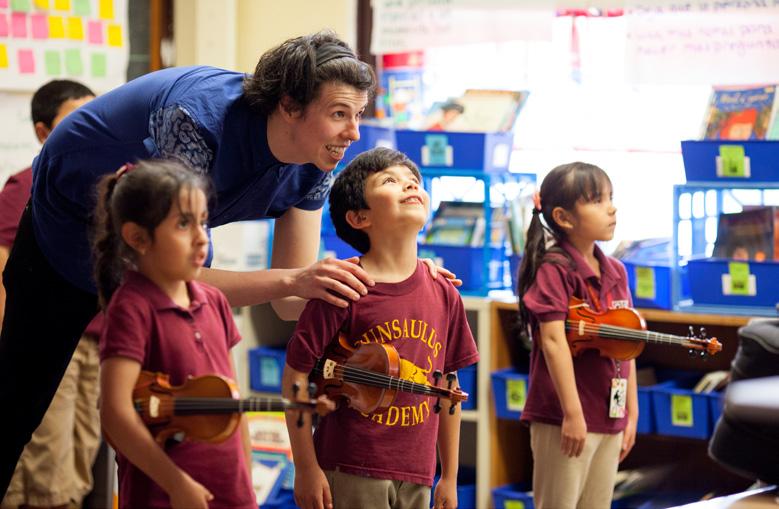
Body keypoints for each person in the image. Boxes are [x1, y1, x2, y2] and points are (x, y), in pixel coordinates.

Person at [0, 30, 396, 496]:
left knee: (182, 416)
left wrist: (397, 287)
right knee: (16, 411)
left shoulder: (316, 162)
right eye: (339, 114)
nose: (353, 132)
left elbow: (290, 300)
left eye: (358, 115)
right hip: (65, 232)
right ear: (290, 105)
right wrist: (294, 280)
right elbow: (182, 276)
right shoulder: (198, 118)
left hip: (153, 251)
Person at [282, 147, 480, 509]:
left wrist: (449, 475)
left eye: (414, 181)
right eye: (390, 180)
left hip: (419, 472)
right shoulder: (342, 287)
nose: (410, 185)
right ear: (359, 217)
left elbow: (448, 388)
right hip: (349, 468)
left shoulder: (444, 291)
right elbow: (295, 375)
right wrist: (306, 467)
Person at [94, 159, 256, 509]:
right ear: (138, 238)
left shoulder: (214, 300)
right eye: (183, 224)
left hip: (231, 492)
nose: (201, 238)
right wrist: (176, 483)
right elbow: (114, 413)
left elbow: (234, 405)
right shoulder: (132, 308)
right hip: (164, 496)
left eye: (203, 221)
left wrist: (247, 489)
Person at [0, 80, 100, 509]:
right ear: (44, 131)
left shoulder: (104, 180)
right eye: (76, 118)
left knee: (83, 453)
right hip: (50, 335)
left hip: (98, 340)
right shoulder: (24, 184)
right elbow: (5, 268)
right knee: (49, 458)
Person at [515, 162, 638, 509]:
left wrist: (631, 412)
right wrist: (572, 413)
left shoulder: (616, 270)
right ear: (563, 217)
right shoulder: (554, 269)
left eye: (610, 198)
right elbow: (553, 342)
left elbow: (627, 344)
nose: (611, 208)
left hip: (609, 416)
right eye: (597, 201)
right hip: (564, 418)